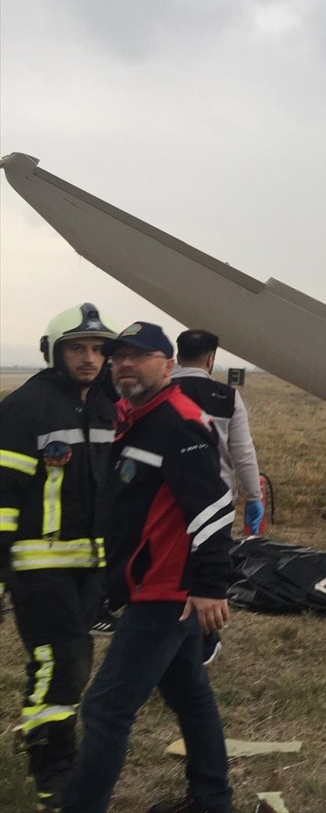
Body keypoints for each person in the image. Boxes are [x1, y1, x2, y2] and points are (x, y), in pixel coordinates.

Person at [61, 322, 235, 813]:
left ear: (166, 363)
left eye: (138, 356)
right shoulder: (138, 415)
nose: (125, 365)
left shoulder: (177, 421)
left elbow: (213, 505)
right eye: (119, 358)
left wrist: (208, 585)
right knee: (190, 697)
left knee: (105, 708)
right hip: (151, 585)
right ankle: (212, 799)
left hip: (166, 591)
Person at [0, 303, 117, 811]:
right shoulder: (26, 407)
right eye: (77, 348)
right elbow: (3, 493)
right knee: (62, 660)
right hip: (38, 562)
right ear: (53, 352)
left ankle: (55, 753)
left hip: (89, 563)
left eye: (98, 349)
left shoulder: (106, 407)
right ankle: (51, 770)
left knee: (70, 659)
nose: (90, 359)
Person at [173, 328, 265, 667]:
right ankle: (204, 640)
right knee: (207, 568)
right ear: (211, 359)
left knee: (172, 568)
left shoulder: (161, 390)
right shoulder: (226, 397)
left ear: (177, 354)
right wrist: (254, 496)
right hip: (215, 501)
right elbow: (243, 453)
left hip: (167, 500)